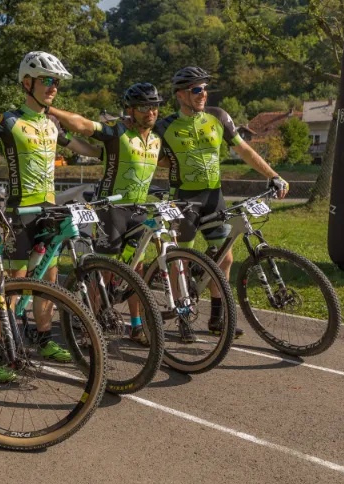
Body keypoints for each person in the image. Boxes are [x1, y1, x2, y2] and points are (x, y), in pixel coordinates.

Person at [0, 51, 102, 382]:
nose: (53, 87)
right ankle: (1, 354)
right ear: (27, 83)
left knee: (48, 280)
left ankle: (44, 339)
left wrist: (107, 151)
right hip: (20, 213)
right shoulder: (10, 120)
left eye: (56, 82)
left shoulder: (51, 123)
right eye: (46, 80)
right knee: (12, 287)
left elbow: (80, 147)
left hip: (48, 210)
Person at [154, 66, 290, 338]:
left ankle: (217, 319)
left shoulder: (218, 117)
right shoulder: (164, 126)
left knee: (225, 258)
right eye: (196, 89)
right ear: (180, 95)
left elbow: (244, 150)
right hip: (184, 200)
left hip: (214, 197)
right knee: (180, 261)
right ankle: (183, 317)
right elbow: (152, 158)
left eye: (204, 88)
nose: (202, 94)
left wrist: (273, 175)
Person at [47, 82, 165, 345]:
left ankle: (136, 325)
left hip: (138, 210)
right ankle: (88, 322)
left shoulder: (156, 140)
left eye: (155, 106)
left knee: (137, 270)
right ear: (130, 110)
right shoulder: (117, 132)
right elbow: (83, 125)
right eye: (143, 107)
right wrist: (50, 109)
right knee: (103, 269)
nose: (151, 112)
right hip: (110, 210)